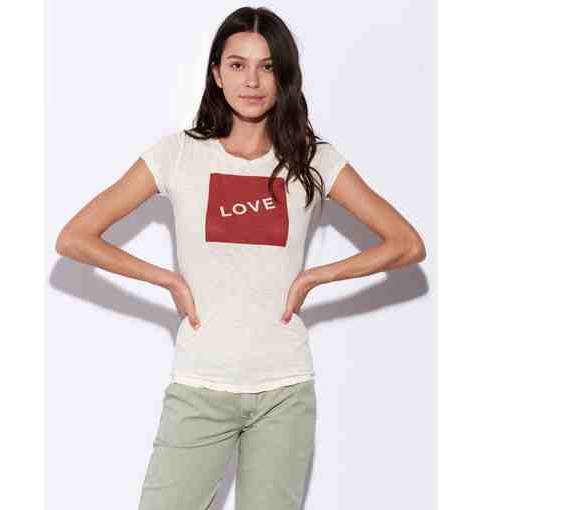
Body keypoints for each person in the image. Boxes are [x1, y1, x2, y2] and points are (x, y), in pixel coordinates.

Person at [55, 6, 426, 510]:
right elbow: (75, 237)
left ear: (284, 76)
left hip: (284, 391)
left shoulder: (312, 159)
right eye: (237, 65)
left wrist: (317, 276)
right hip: (200, 385)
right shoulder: (177, 155)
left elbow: (406, 243)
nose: (251, 80)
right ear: (216, 73)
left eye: (267, 66)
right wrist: (167, 279)